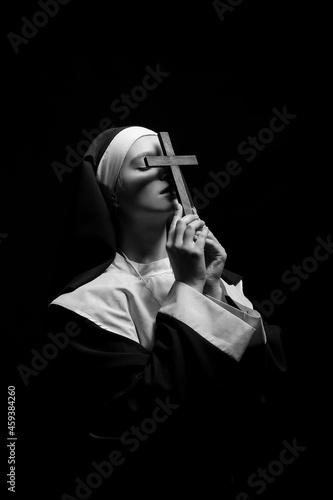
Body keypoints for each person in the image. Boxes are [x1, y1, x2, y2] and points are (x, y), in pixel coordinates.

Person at [47, 126, 287, 498]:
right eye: (147, 162)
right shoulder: (88, 304)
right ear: (111, 193)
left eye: (168, 157)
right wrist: (188, 290)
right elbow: (140, 424)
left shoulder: (221, 282)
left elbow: (264, 394)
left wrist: (211, 292)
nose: (166, 169)